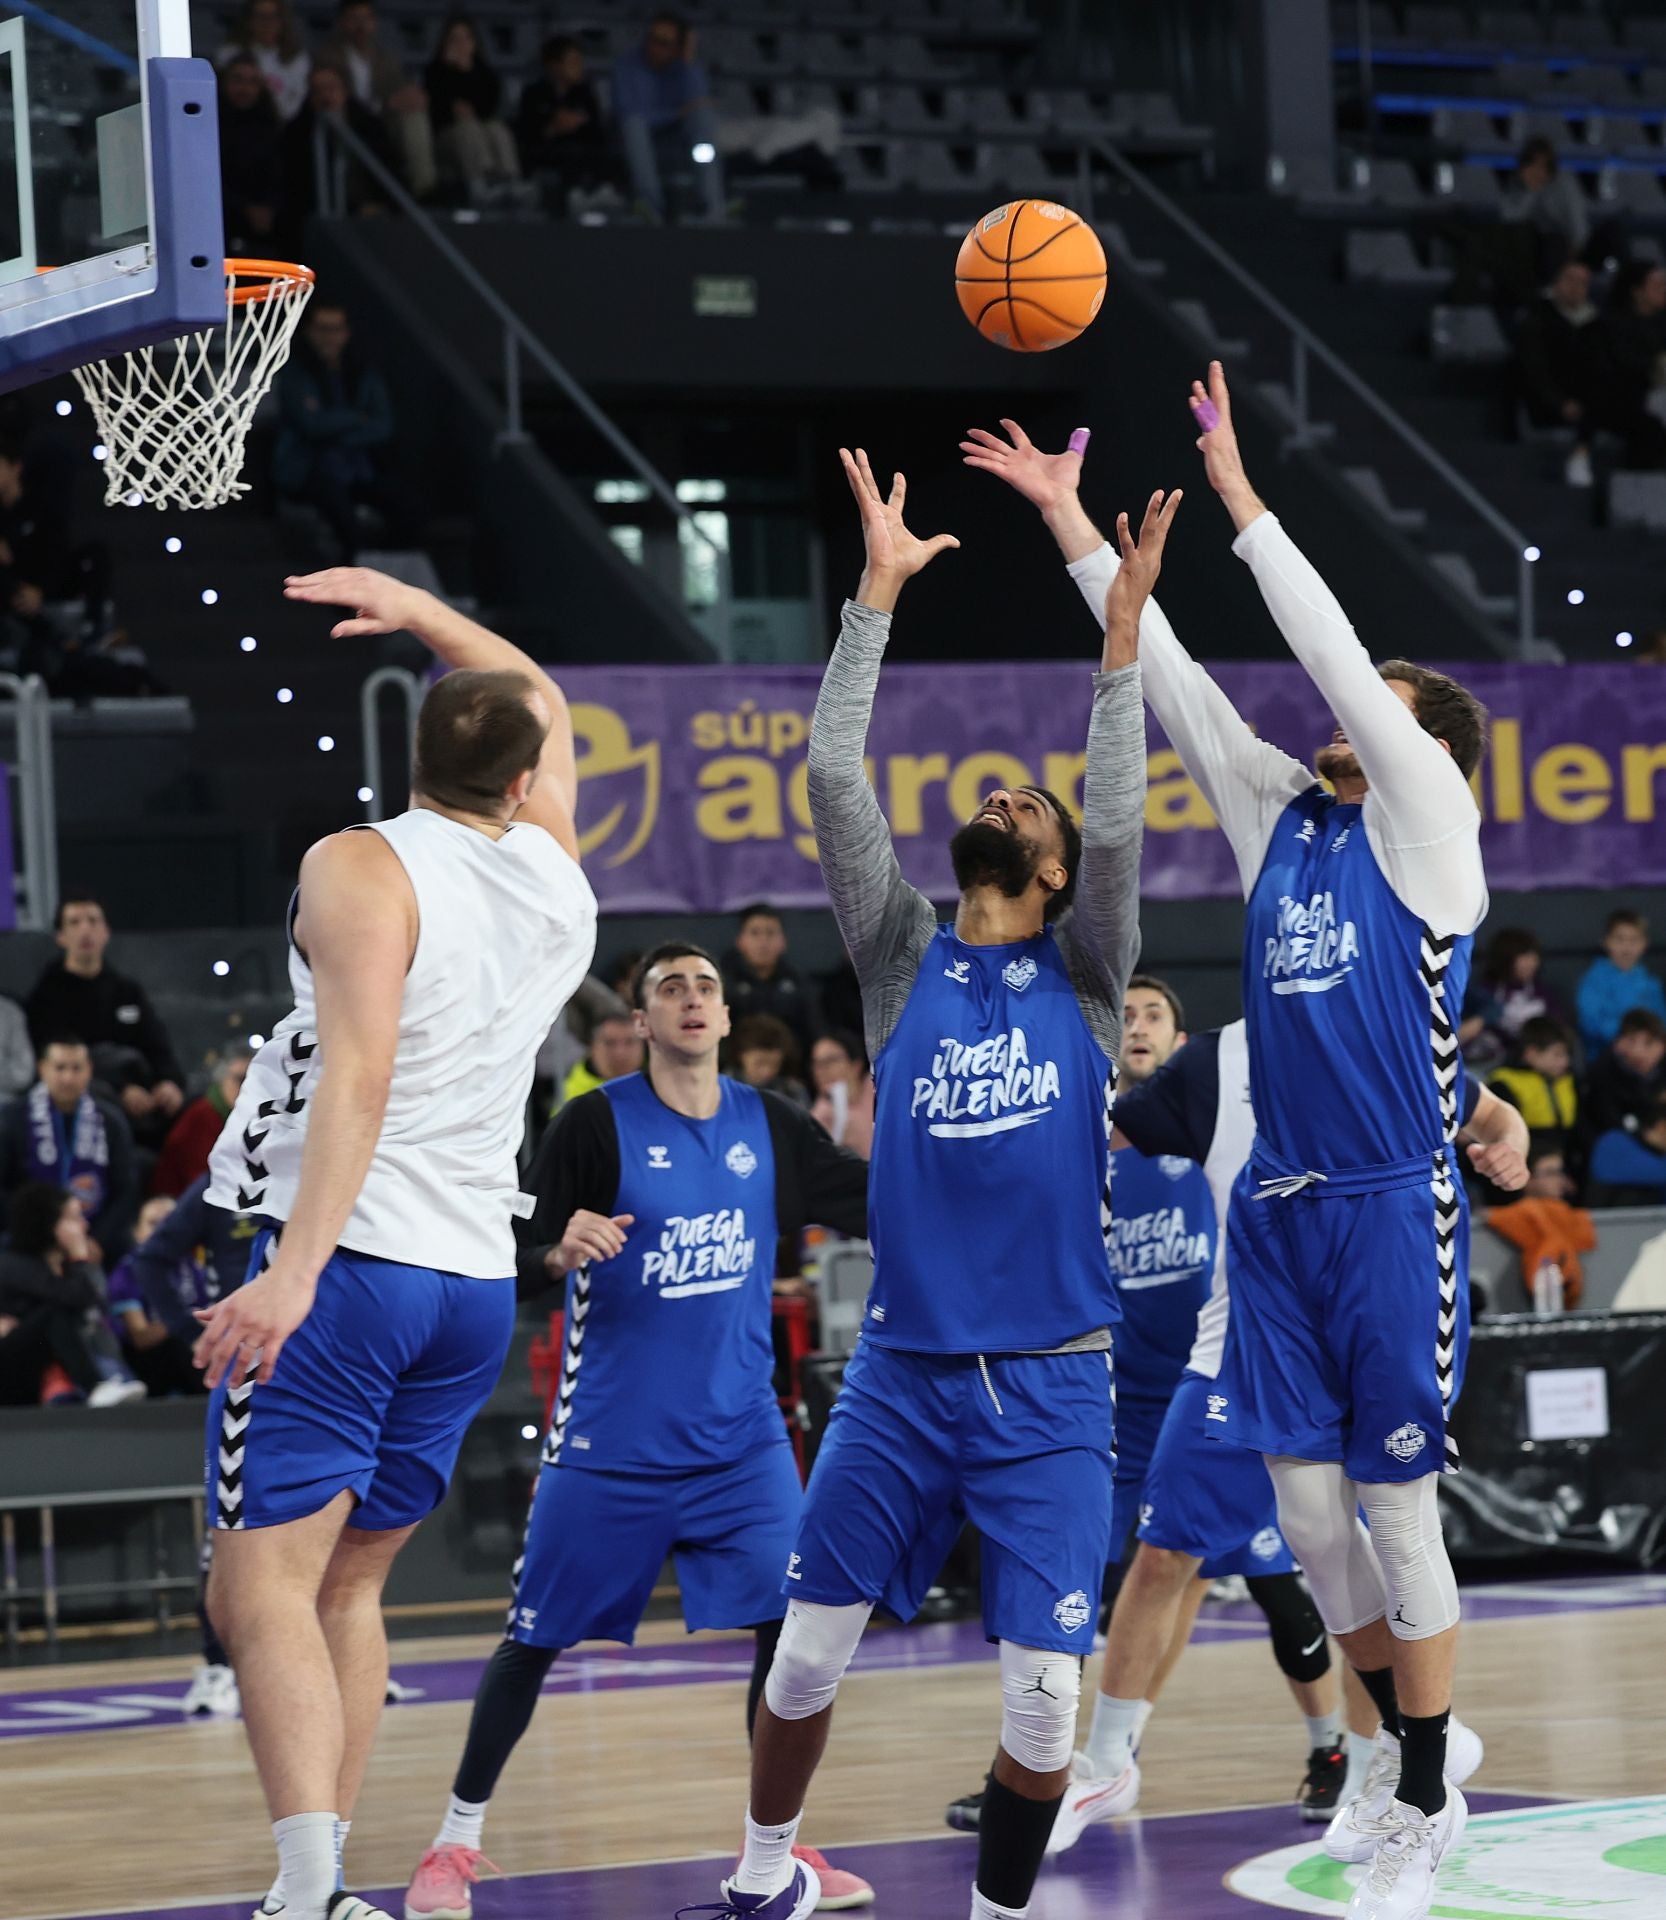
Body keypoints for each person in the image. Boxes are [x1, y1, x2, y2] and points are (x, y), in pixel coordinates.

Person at [968, 367, 1490, 1920]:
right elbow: (1178, 688)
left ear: (1421, 747)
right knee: (1315, 1524)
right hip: (1273, 1214)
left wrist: (1246, 506)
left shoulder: (1433, 839)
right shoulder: (1289, 827)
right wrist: (1075, 533)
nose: (1346, 712)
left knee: (1394, 1517)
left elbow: (1324, 654)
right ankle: (1397, 1757)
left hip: (1394, 1211)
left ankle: (1428, 1781)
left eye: (1380, 706)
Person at [682, 445, 1157, 1920]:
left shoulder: (1086, 977)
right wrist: (873, 600)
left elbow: (1120, 807)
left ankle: (997, 1911)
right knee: (807, 1653)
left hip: (1054, 1384)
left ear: (1063, 870)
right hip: (899, 1372)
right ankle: (766, 1870)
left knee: (1037, 1715)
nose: (1011, 800)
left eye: (1030, 806)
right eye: (1003, 795)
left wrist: (1122, 643)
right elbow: (831, 773)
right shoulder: (902, 960)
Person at [190, 563, 597, 1920]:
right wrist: (427, 615)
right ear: (531, 779)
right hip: (470, 1285)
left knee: (259, 1590)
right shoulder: (555, 878)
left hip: (351, 1269)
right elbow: (536, 694)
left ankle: (308, 1891)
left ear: (404, 747)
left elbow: (355, 1078)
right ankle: (322, 1881)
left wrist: (292, 1274)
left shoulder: (360, 864)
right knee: (350, 1590)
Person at [404, 944, 872, 1920]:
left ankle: (774, 1851)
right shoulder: (593, 1123)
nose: (693, 1000)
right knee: (531, 1641)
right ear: (640, 1021)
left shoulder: (771, 1127)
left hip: (741, 1445)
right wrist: (549, 1250)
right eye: (672, 989)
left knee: (788, 1645)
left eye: (707, 987)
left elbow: (873, 1198)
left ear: (729, 1018)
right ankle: (453, 1844)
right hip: (610, 1446)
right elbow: (504, 1239)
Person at [1036, 1018, 1525, 1857]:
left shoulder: (1379, 1033)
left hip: (1369, 1320)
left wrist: (1505, 1148)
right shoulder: (1215, 1064)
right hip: (1240, 1342)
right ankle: (1110, 1760)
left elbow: (1493, 1115)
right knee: (1191, 1551)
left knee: (1368, 1545)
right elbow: (1093, 1132)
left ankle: (1397, 1758)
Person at [25, 894, 185, 1139]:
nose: (85, 930)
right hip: (89, 1093)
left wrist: (168, 1082)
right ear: (60, 936)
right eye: (75, 922)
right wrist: (120, 1090)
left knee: (194, 1109)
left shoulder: (127, 991)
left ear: (106, 931)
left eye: (93, 920)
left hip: (142, 1089)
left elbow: (157, 1045)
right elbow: (53, 1061)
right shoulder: (46, 996)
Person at [273, 302, 406, 565]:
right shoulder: (295, 374)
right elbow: (309, 425)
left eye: (335, 329)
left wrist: (334, 430)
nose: (328, 336)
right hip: (309, 470)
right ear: (309, 332)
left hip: (358, 467)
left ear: (346, 333)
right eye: (322, 328)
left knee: (407, 506)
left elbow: (383, 425)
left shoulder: (364, 374)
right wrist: (356, 417)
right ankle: (346, 592)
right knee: (342, 515)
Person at [0, 1185, 146, 1408]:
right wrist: (79, 1256)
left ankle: (110, 1379)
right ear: (49, 1224)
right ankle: (95, 1385)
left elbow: (93, 1310)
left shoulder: (66, 1269)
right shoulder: (14, 1264)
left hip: (45, 1365)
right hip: (12, 1369)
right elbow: (76, 1298)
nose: (84, 1225)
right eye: (74, 1218)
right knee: (54, 1313)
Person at [0, 1037, 139, 1262]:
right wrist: (39, 1237)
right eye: (60, 1068)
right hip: (24, 1243)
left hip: (92, 1242)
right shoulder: (12, 1118)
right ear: (42, 1069)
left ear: (89, 1071)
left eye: (76, 1068)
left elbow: (125, 1189)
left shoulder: (110, 1121)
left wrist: (97, 1240)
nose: (68, 1078)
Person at [612, 11, 726, 223]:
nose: (654, 46)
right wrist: (675, 113)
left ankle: (712, 208)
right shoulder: (626, 65)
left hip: (677, 136)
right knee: (634, 126)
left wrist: (689, 61)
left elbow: (699, 103)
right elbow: (628, 112)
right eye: (652, 38)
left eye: (664, 42)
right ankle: (651, 208)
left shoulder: (684, 66)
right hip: (640, 137)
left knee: (704, 119)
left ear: (677, 47)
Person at [318, 0, 436, 198]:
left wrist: (412, 97)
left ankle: (424, 188)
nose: (361, 25)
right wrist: (384, 104)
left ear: (375, 22)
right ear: (342, 22)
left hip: (383, 123)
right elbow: (330, 97)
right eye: (354, 18)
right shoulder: (328, 57)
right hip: (348, 123)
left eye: (366, 18)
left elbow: (399, 93)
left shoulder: (387, 58)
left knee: (414, 115)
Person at [107, 1195, 206, 1396]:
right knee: (180, 1343)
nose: (161, 1230)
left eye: (169, 1221)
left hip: (191, 1350)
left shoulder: (193, 1267)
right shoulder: (126, 1272)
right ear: (137, 1232)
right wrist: (183, 1319)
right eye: (153, 1223)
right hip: (148, 1361)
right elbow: (141, 1337)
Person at [1515, 259, 1599, 488]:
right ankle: (1580, 456)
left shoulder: (1596, 322)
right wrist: (1560, 403)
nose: (1576, 287)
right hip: (1549, 402)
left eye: (1583, 282)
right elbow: (1534, 371)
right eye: (1570, 279)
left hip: (1589, 398)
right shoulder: (1536, 320)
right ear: (1556, 283)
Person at [425, 13, 522, 197]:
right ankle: (480, 186)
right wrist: (451, 70)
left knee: (497, 128)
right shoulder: (436, 72)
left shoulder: (485, 73)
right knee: (467, 130)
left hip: (482, 132)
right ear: (445, 43)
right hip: (448, 137)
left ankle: (511, 182)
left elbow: (488, 107)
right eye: (455, 39)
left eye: (466, 38)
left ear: (474, 42)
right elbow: (437, 110)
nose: (461, 44)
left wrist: (466, 71)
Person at [1583, 262, 1666, 472]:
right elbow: (1615, 369)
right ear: (1637, 292)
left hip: (1657, 397)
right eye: (1658, 285)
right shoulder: (1609, 325)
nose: (1664, 289)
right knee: (1650, 429)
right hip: (1621, 401)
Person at [1457, 926, 1571, 1072]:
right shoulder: (1484, 992)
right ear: (1506, 958)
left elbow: (1558, 1025)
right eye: (1524, 956)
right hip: (1494, 1062)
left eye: (1534, 956)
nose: (1532, 962)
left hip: (1536, 1060)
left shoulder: (1543, 992)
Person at [514, 35, 612, 204]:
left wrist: (578, 123)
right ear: (554, 66)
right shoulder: (533, 93)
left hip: (581, 150)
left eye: (580, 61)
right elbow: (526, 133)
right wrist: (553, 127)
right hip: (546, 151)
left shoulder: (585, 93)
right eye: (573, 62)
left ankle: (596, 193)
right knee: (565, 153)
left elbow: (597, 130)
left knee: (594, 151)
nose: (579, 67)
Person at [153, 1048, 252, 1199]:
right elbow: (204, 1182)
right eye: (241, 1079)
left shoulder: (251, 1117)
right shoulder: (203, 1116)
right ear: (222, 1079)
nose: (248, 1088)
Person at [723, 904, 815, 1063]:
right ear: (740, 941)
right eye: (755, 933)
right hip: (735, 1072)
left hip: (790, 1072)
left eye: (771, 933)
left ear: (783, 942)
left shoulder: (799, 983)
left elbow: (814, 1032)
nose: (763, 941)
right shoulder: (723, 983)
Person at [219, 54, 286, 256]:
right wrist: (245, 209)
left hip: (270, 228)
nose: (244, 89)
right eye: (238, 80)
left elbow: (283, 178)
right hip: (223, 223)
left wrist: (269, 208)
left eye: (252, 82)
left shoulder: (274, 129)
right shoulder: (208, 128)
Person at [1486, 1016, 1579, 1163]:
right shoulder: (1504, 1083)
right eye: (1557, 1054)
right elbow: (1503, 1136)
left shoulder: (1568, 1081)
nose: (1565, 1062)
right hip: (1526, 1159)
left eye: (1566, 1054)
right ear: (1531, 1053)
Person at [1576, 908, 1666, 1053]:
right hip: (1608, 1056)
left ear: (1644, 944)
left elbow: (1661, 1022)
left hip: (1649, 1057)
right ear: (1606, 942)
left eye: (1634, 940)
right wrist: (1631, 1041)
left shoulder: (1651, 983)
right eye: (1619, 939)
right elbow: (1591, 1025)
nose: (1627, 947)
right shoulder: (1593, 981)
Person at [219, 0, 313, 123]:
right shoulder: (229, 54)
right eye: (260, 17)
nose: (266, 23)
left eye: (272, 17)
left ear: (282, 21)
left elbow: (293, 106)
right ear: (249, 20)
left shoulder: (298, 59)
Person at [1582, 1007, 1666, 1139]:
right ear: (1618, 1042)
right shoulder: (1603, 1073)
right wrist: (1645, 1135)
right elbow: (1608, 1121)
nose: (1639, 1052)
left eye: (1649, 1043)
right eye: (1631, 1040)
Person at [1588, 1091, 1666, 1202]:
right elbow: (1657, 1172)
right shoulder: (1613, 1142)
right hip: (1609, 1216)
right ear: (1661, 1127)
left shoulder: (1656, 1153)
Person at [809, 1030, 874, 1159]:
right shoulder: (820, 1114)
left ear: (856, 1064)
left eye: (831, 1060)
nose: (822, 1069)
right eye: (817, 1063)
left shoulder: (879, 1089)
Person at [557, 1010, 644, 1107]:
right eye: (610, 1043)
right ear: (592, 1048)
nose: (620, 1053)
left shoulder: (656, 1088)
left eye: (629, 1042)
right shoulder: (571, 1099)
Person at [729, 1013, 809, 1107]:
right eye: (759, 1063)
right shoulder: (720, 1090)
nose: (767, 1071)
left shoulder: (792, 1091)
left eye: (775, 1064)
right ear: (741, 1056)